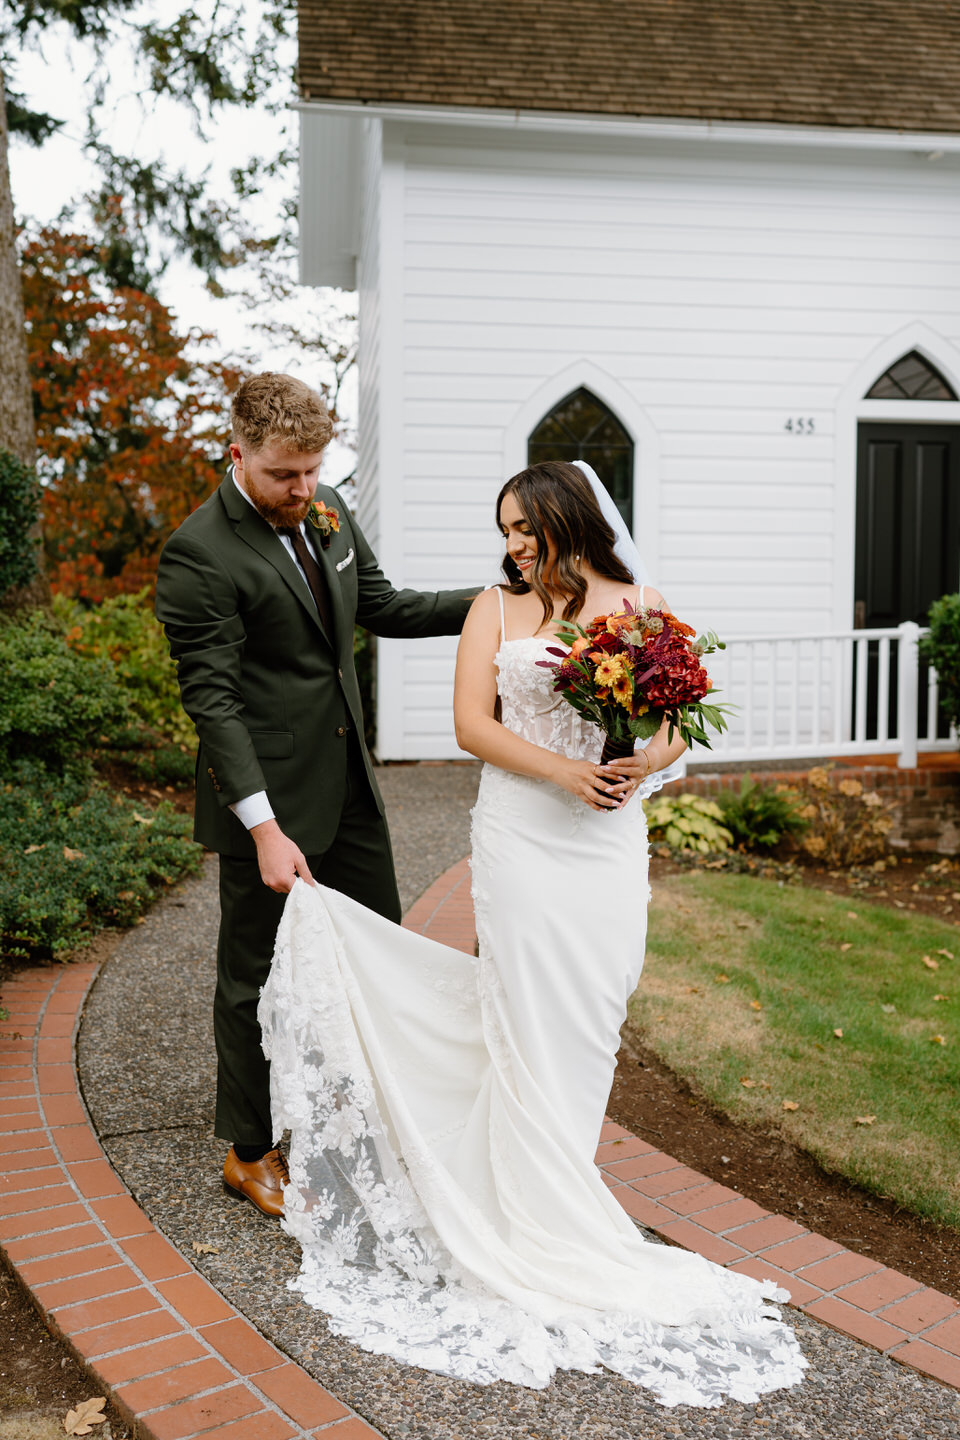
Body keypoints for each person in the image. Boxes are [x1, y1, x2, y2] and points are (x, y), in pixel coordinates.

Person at [257, 460, 806, 1406]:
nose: (513, 544)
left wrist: (641, 763)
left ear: (568, 518)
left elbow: (680, 723)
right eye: (505, 529)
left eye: (526, 527)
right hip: (521, 832)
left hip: (606, 841)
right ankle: (520, 1215)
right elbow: (472, 724)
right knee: (521, 1007)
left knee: (592, 1009)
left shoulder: (642, 605)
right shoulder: (494, 611)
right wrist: (561, 774)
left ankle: (558, 1184)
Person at [154, 372, 478, 1218]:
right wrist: (262, 829)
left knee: (378, 953)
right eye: (283, 476)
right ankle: (250, 1149)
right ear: (238, 455)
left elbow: (384, 606)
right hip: (267, 804)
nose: (303, 490)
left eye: (312, 470)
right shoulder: (199, 554)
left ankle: (374, 1122)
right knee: (253, 979)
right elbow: (214, 704)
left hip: (351, 788)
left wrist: (501, 601)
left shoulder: (326, 506)